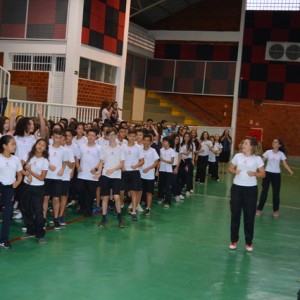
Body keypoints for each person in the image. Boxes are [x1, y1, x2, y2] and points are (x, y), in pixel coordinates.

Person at [228, 136, 265, 252]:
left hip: (251, 191)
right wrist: (235, 171)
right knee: (235, 215)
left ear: (251, 146)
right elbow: (230, 169)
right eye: (243, 143)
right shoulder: (237, 156)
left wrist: (254, 174)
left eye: (246, 143)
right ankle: (234, 240)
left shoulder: (257, 159)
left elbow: (263, 174)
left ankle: (249, 242)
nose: (243, 145)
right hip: (237, 188)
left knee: (249, 217)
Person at [21, 139, 49, 244]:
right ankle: (30, 230)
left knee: (38, 211)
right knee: (26, 209)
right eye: (39, 144)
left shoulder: (45, 161)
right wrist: (26, 174)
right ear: (35, 144)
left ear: (45, 148)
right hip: (27, 186)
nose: (40, 146)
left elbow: (42, 178)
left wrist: (30, 171)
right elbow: (19, 166)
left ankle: (40, 234)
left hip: (38, 188)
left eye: (43, 145)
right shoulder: (28, 155)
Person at [256, 138, 293, 217]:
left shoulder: (281, 154)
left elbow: (285, 164)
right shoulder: (268, 152)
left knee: (276, 193)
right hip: (267, 174)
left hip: (276, 175)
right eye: (273, 141)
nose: (273, 143)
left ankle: (276, 210)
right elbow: (262, 161)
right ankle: (259, 209)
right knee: (264, 192)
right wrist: (254, 166)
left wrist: (289, 170)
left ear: (279, 145)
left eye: (275, 142)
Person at [97, 128, 125, 228]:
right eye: (110, 135)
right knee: (105, 197)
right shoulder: (103, 148)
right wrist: (99, 172)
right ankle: (103, 218)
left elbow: (122, 164)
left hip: (116, 175)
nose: (112, 137)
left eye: (113, 134)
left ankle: (120, 218)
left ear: (116, 135)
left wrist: (113, 170)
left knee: (116, 197)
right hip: (105, 175)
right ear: (107, 136)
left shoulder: (121, 148)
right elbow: (101, 162)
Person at [0, 136, 23, 249]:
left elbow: (19, 174)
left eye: (15, 144)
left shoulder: (16, 159)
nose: (14, 146)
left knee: (7, 215)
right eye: (12, 144)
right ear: (4, 146)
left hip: (9, 190)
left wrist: (17, 182)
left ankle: (3, 240)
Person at [43, 129, 67, 229]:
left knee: (56, 198)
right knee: (45, 197)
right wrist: (48, 165)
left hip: (57, 177)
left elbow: (65, 161)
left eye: (59, 138)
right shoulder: (47, 148)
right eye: (55, 137)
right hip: (47, 176)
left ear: (61, 138)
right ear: (52, 137)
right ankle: (43, 219)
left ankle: (56, 218)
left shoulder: (64, 150)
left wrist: (62, 169)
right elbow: (42, 159)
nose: (57, 140)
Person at [76, 128, 102, 217]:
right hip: (82, 174)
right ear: (86, 136)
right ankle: (82, 207)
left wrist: (96, 168)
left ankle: (88, 209)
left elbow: (102, 160)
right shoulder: (82, 146)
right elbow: (77, 158)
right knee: (80, 191)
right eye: (89, 135)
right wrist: (77, 166)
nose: (91, 137)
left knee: (91, 194)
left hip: (92, 175)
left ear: (96, 137)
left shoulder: (99, 148)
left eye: (93, 135)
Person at [122, 129, 144, 221]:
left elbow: (142, 161)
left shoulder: (139, 148)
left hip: (134, 172)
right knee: (121, 191)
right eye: (130, 136)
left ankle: (134, 212)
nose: (132, 138)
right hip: (124, 172)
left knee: (134, 192)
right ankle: (119, 208)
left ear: (136, 137)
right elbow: (120, 159)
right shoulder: (122, 147)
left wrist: (136, 166)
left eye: (134, 136)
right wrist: (122, 167)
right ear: (127, 136)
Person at [140, 133, 159, 216]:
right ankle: (137, 206)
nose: (146, 142)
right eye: (145, 140)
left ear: (150, 142)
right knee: (139, 192)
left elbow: (157, 162)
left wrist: (148, 168)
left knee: (149, 193)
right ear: (142, 140)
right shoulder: (139, 150)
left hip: (149, 176)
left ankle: (148, 208)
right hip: (140, 175)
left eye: (148, 141)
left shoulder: (153, 151)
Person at [157, 136, 175, 208]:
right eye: (163, 141)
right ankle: (160, 197)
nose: (164, 142)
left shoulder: (171, 151)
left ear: (169, 143)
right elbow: (158, 162)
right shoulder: (161, 150)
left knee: (168, 186)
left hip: (169, 171)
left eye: (165, 141)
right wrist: (157, 170)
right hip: (161, 170)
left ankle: (167, 201)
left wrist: (163, 160)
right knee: (161, 185)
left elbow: (171, 161)